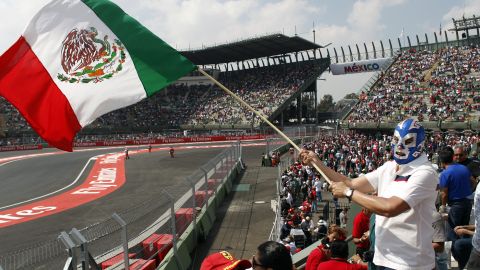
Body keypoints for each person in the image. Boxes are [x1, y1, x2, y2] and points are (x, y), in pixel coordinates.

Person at [300, 118, 438, 270]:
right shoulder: (389, 167)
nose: (399, 146)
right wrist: (316, 161)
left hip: (410, 264)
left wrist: (347, 192)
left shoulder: (425, 172)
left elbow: (390, 208)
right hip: (382, 258)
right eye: (396, 139)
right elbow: (351, 182)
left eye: (408, 141)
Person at [438, 146, 473, 241]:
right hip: (468, 202)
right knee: (464, 228)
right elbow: (472, 181)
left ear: (441, 161)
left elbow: (444, 193)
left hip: (456, 205)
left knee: (452, 230)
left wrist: (443, 206)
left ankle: (454, 251)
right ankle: (464, 249)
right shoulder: (464, 168)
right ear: (452, 157)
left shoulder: (445, 174)